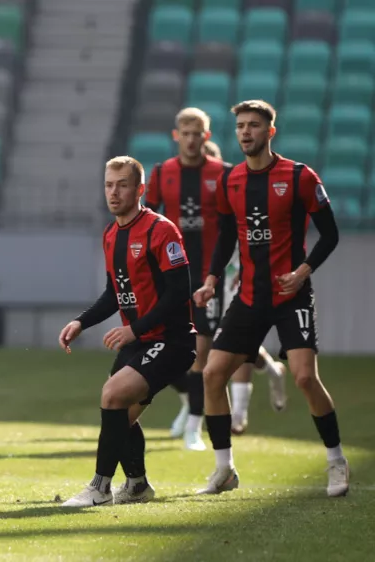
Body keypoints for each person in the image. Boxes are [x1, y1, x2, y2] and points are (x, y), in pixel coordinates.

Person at [193, 100, 348, 497]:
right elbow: (227, 234)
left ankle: (336, 461)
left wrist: (302, 272)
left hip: (290, 296)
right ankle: (224, 470)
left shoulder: (299, 176)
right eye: (241, 126)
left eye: (254, 126)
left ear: (270, 131)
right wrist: (211, 278)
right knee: (212, 374)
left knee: (304, 378)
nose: (245, 132)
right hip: (248, 297)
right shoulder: (232, 181)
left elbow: (330, 234)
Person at [58, 156, 196, 506]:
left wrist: (134, 329)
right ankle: (137, 485)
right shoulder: (111, 234)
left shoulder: (161, 230)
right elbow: (113, 293)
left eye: (122, 184)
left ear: (140, 189)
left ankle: (99, 488)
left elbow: (179, 293)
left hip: (172, 340)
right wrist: (81, 322)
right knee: (121, 417)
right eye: (108, 184)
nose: (114, 192)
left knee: (112, 396)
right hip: (140, 340)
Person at [145, 109, 286, 450]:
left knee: (203, 350)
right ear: (177, 135)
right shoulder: (162, 173)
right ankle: (266, 371)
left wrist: (240, 268)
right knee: (166, 345)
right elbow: (147, 220)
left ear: (206, 137)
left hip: (215, 275)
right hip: (174, 275)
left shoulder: (223, 174)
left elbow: (238, 224)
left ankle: (196, 425)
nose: (192, 139)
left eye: (198, 134)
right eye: (186, 133)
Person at [203, 140, 286, 436]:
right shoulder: (195, 199)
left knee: (234, 341)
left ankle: (238, 414)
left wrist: (242, 271)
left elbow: (242, 235)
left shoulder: (235, 188)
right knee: (218, 340)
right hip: (209, 275)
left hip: (238, 274)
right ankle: (273, 370)